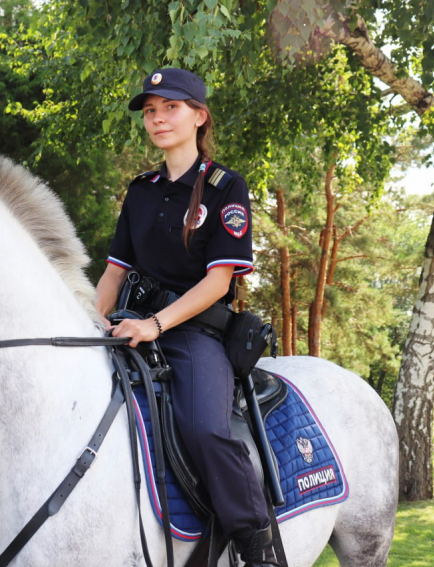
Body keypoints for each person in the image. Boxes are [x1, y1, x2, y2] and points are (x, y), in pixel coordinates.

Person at [95, 68, 278, 567]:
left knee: (204, 431)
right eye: (150, 111)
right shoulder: (141, 190)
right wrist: (90, 325)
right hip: (130, 326)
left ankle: (256, 547)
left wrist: (155, 326)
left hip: (193, 335)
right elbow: (113, 274)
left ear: (199, 116)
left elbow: (219, 282)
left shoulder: (225, 187)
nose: (157, 119)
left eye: (170, 108)